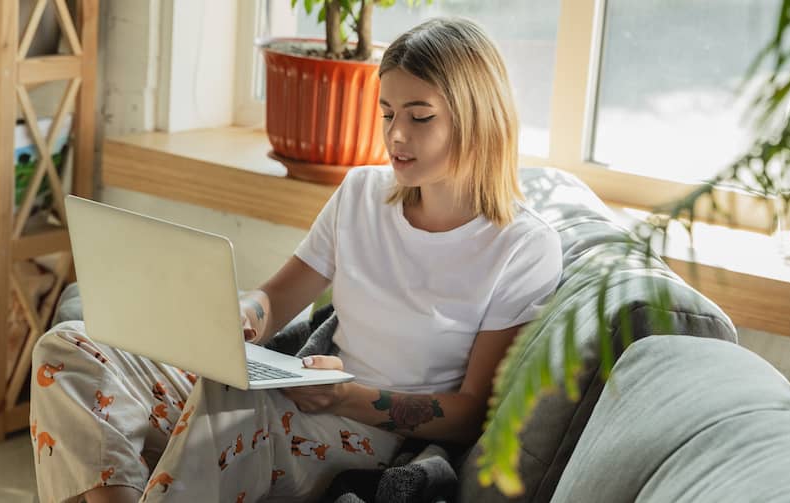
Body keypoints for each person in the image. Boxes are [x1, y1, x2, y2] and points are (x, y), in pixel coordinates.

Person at [29, 16, 562, 503]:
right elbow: (276, 298)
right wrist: (242, 317)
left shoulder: (521, 248)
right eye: (387, 113)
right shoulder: (360, 195)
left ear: (477, 118)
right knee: (69, 347)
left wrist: (346, 396)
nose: (396, 135)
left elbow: (472, 413)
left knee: (228, 399)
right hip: (295, 393)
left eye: (420, 117)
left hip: (366, 431)